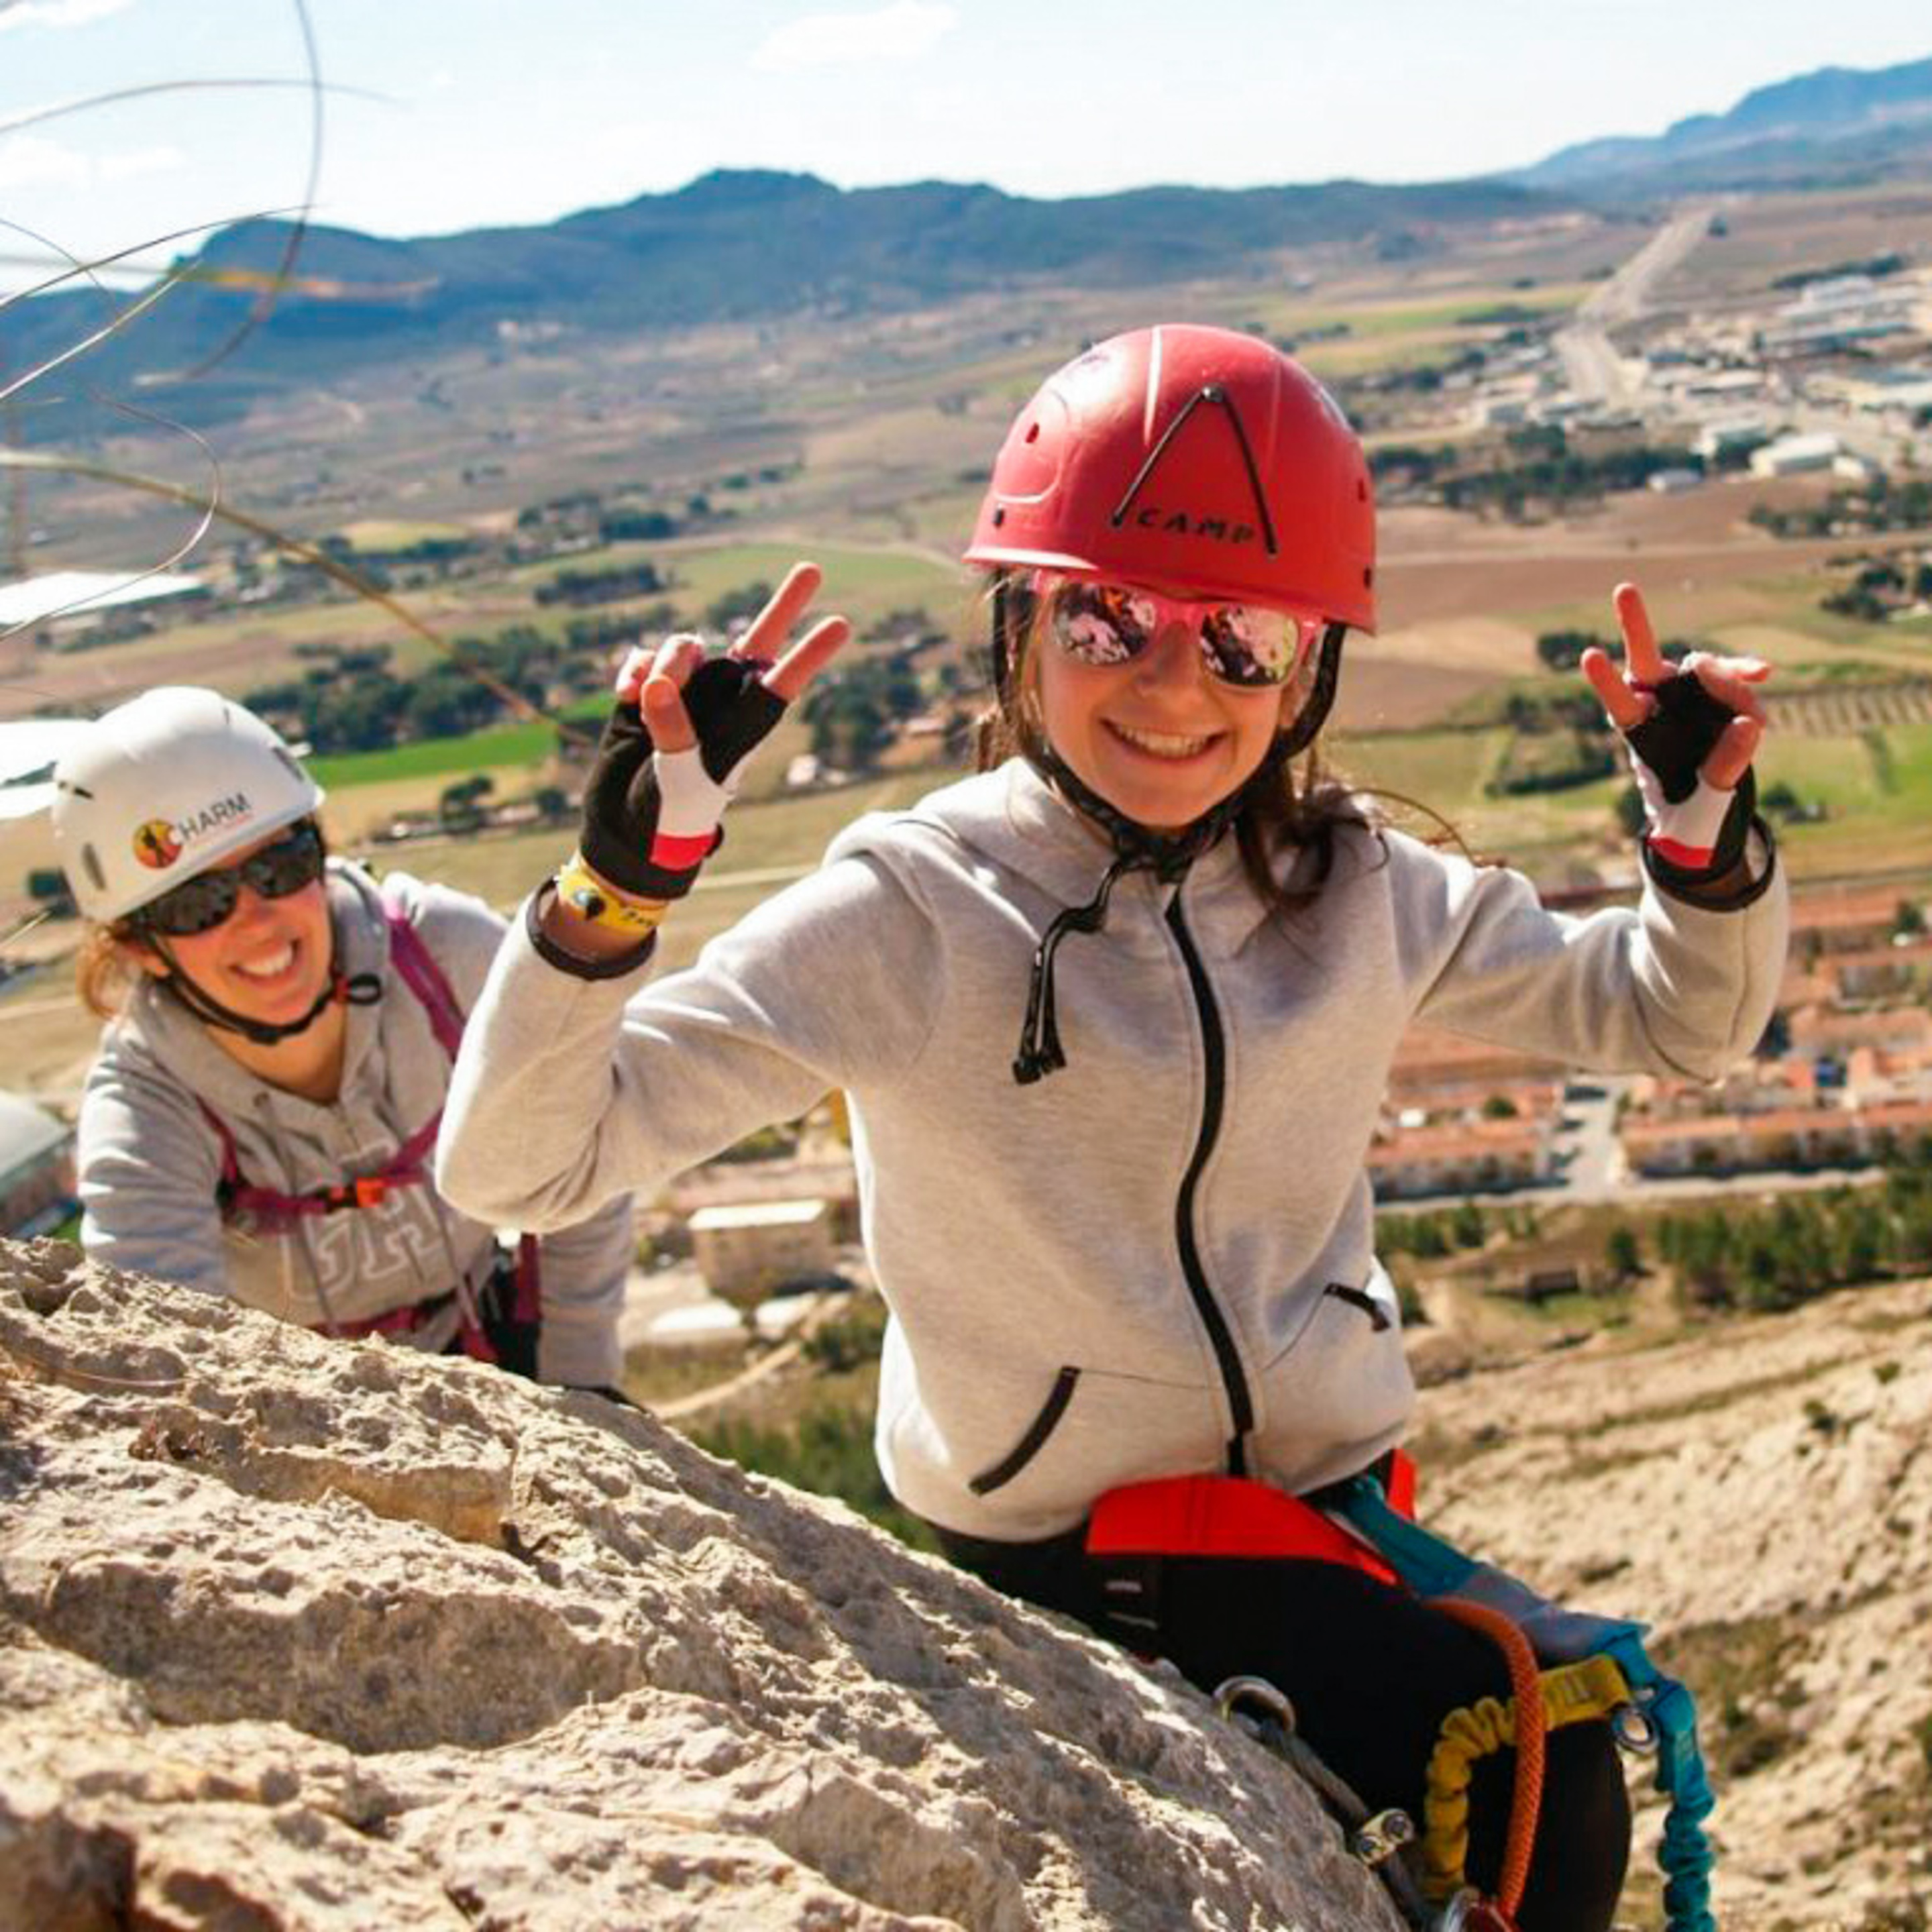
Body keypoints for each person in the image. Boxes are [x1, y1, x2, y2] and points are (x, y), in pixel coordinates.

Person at [434, 325, 1788, 1930]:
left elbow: (1668, 1022)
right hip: (1060, 1542)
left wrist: (1695, 840)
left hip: (1323, 1501)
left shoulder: (1353, 882)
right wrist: (615, 889)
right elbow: (518, 1166)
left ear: (1309, 674)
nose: (1169, 684)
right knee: (1532, 1783)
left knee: (1545, 1768)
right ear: (1022, 627)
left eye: (1243, 639)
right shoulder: (911, 910)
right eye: (1110, 615)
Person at [55, 687, 632, 1392]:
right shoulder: (149, 1108)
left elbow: (583, 1148)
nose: (259, 921)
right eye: (196, 903)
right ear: (143, 949)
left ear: (322, 852)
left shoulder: (446, 958)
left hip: (502, 1340)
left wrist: (581, 1380)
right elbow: (157, 1340)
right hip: (298, 1400)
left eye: (280, 865)